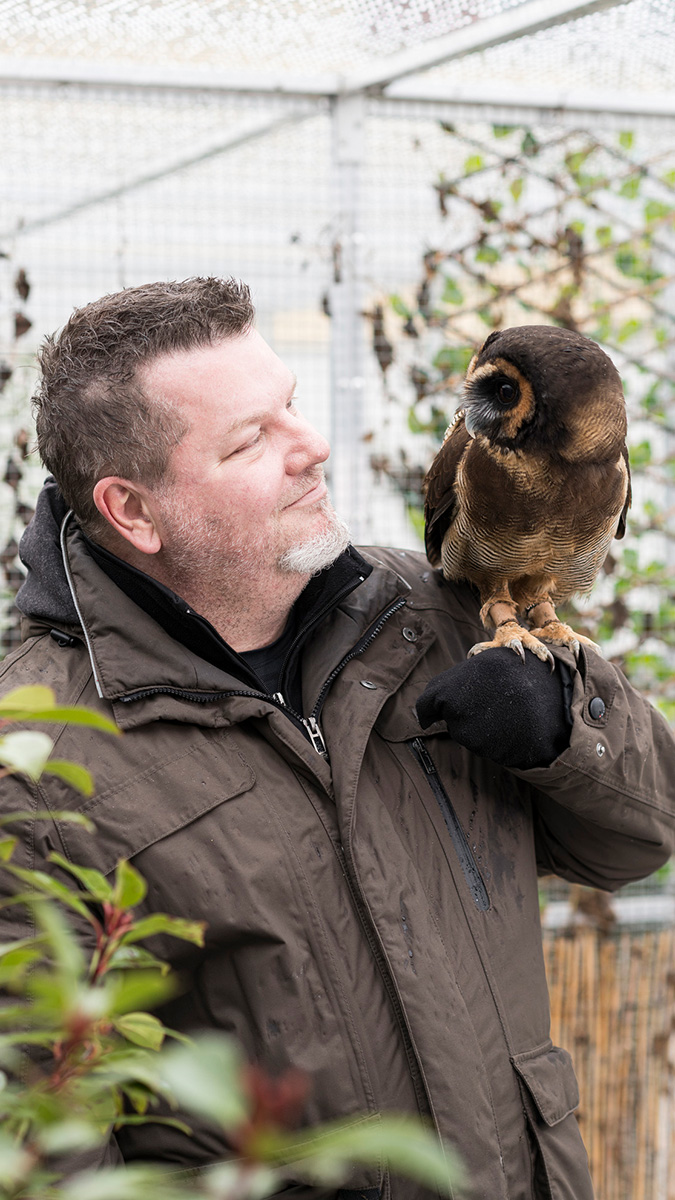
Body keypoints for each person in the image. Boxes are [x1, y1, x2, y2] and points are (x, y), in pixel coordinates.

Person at [1, 276, 674, 1200]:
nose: (310, 447)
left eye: (290, 407)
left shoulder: (438, 621)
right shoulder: (35, 760)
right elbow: (47, 1139)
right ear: (133, 511)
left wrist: (569, 727)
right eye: (252, 439)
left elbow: (641, 838)